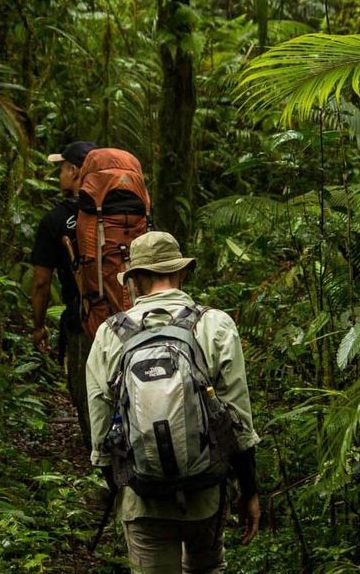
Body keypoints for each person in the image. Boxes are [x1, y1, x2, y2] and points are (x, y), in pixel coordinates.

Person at [86, 231, 261, 573]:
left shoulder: (109, 334)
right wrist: (249, 491)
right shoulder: (214, 324)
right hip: (206, 493)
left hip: (143, 498)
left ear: (134, 280)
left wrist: (122, 488)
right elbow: (238, 420)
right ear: (180, 273)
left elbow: (100, 429)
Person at [31, 140, 98, 446]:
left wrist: (38, 325)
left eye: (61, 167)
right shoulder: (121, 211)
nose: (59, 173)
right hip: (129, 310)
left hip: (84, 316)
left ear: (73, 171)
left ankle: (101, 462)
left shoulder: (55, 220)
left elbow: (42, 282)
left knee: (86, 388)